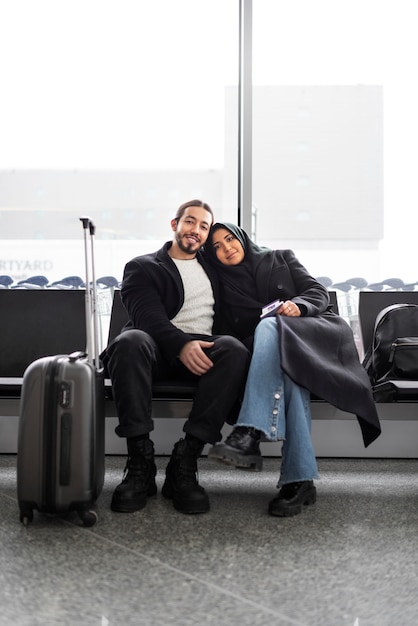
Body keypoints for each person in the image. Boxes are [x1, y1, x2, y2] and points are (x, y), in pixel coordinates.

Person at [204, 222, 381, 517]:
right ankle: (298, 481)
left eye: (229, 239)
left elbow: (317, 291)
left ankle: (250, 430)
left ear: (241, 238)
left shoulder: (279, 257)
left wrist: (297, 306)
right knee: (290, 378)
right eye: (217, 248)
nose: (226, 248)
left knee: (271, 324)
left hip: (310, 336)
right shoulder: (217, 283)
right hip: (270, 354)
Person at [101, 203, 250, 515]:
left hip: (204, 356)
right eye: (190, 221)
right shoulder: (143, 266)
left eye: (204, 226)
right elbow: (146, 317)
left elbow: (248, 256)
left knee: (234, 349)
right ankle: (140, 466)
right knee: (129, 340)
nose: (196, 230)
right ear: (175, 224)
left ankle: (185, 464)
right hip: (154, 351)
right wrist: (182, 344)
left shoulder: (214, 266)